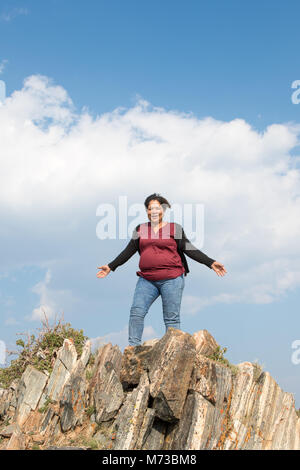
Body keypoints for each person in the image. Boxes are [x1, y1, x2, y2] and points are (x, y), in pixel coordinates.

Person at [97, 193, 227, 349]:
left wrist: (210, 262)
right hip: (147, 280)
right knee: (136, 312)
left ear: (163, 210)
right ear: (146, 211)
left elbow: (189, 249)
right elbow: (128, 251)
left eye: (157, 208)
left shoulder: (174, 228)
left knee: (171, 319)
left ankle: (174, 351)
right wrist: (111, 266)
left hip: (172, 279)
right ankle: (133, 348)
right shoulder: (140, 229)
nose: (154, 211)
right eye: (150, 208)